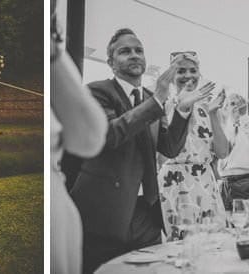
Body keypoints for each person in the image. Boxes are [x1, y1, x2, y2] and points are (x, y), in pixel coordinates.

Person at [69, 28, 212, 273]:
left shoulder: (149, 98)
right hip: (106, 215)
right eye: (125, 51)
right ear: (111, 62)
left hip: (147, 215)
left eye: (139, 51)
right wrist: (156, 102)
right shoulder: (96, 91)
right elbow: (109, 135)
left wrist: (182, 112)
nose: (134, 55)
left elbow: (169, 147)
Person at [50, 5, 108, 271]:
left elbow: (88, 137)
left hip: (58, 206)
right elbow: (92, 137)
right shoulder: (99, 89)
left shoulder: (51, 56)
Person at [154, 51, 224, 242]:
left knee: (212, 245)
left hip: (205, 182)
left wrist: (213, 114)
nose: (188, 76)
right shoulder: (162, 107)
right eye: (181, 71)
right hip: (173, 184)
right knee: (178, 247)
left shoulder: (208, 106)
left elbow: (223, 152)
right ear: (172, 76)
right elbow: (159, 154)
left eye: (193, 70)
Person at [213, 93, 249, 210]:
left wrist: (242, 116)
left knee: (248, 220)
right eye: (231, 104)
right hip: (226, 182)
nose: (235, 107)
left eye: (238, 104)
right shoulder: (221, 127)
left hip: (247, 180)